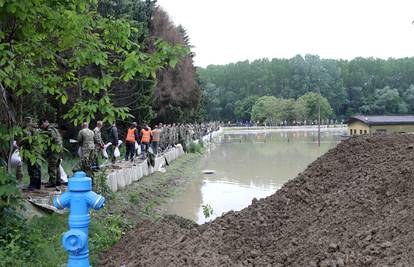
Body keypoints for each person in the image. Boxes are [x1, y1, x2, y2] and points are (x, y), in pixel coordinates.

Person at [18, 117, 42, 191]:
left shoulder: (28, 128)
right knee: (37, 167)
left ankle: (33, 186)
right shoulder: (36, 128)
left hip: (31, 151)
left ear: (25, 122)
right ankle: (38, 185)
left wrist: (19, 144)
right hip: (37, 150)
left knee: (32, 168)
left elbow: (27, 139)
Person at [40, 118, 63, 188]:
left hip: (54, 150)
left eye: (42, 124)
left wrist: (43, 134)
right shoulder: (54, 128)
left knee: (52, 166)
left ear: (46, 122)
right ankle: (58, 181)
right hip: (59, 149)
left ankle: (52, 182)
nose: (41, 126)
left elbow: (53, 137)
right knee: (57, 165)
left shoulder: (49, 129)